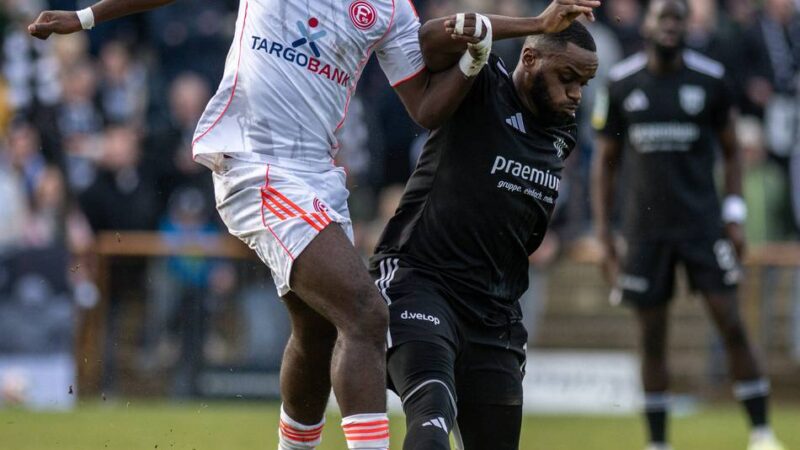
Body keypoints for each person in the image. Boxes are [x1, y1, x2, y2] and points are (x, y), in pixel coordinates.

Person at [27, 1, 599, 449]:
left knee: (319, 329)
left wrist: (474, 60)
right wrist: (87, 16)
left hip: (319, 175)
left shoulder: (390, 8)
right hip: (252, 158)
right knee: (367, 311)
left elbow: (425, 107)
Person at [370, 16, 598, 450]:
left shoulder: (562, 132)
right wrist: (537, 22)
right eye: (567, 77)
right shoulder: (482, 82)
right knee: (431, 419)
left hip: (495, 313)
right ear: (529, 59)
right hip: (422, 284)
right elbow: (427, 40)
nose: (575, 93)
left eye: (584, 83)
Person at [591, 1, 786, 450]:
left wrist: (734, 214)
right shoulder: (621, 83)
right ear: (647, 25)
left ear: (688, 26)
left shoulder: (711, 79)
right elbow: (605, 163)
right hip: (644, 232)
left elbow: (734, 150)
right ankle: (658, 442)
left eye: (680, 18)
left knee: (732, 323)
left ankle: (760, 432)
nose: (672, 26)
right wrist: (604, 235)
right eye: (664, 18)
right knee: (652, 337)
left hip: (702, 225)